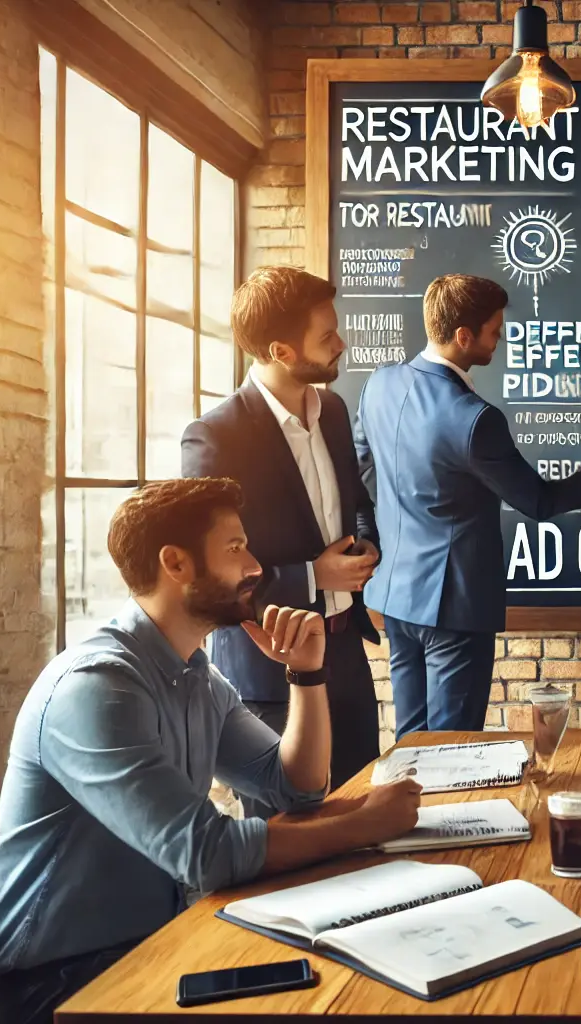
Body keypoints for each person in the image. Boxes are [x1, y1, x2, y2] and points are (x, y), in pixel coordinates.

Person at [0, 479, 421, 1024]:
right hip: (62, 986)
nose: (256, 566)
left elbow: (296, 786)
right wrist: (362, 826)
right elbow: (206, 855)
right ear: (176, 564)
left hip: (161, 944)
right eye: (236, 548)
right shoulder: (97, 688)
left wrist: (306, 674)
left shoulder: (195, 673)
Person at [353, 274, 581, 737]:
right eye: (495, 329)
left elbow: (359, 469)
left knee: (410, 739)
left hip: (395, 597)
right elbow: (537, 500)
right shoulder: (474, 419)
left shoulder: (380, 385)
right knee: (453, 744)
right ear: (463, 336)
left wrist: (374, 531)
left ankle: (408, 812)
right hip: (453, 607)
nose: (501, 337)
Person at [181, 266, 381, 811]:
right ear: (282, 350)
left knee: (361, 811)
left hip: (344, 649)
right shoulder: (216, 437)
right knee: (288, 833)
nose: (342, 343)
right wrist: (314, 575)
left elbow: (356, 503)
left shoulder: (334, 410)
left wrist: (362, 547)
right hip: (269, 670)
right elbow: (207, 574)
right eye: (327, 337)